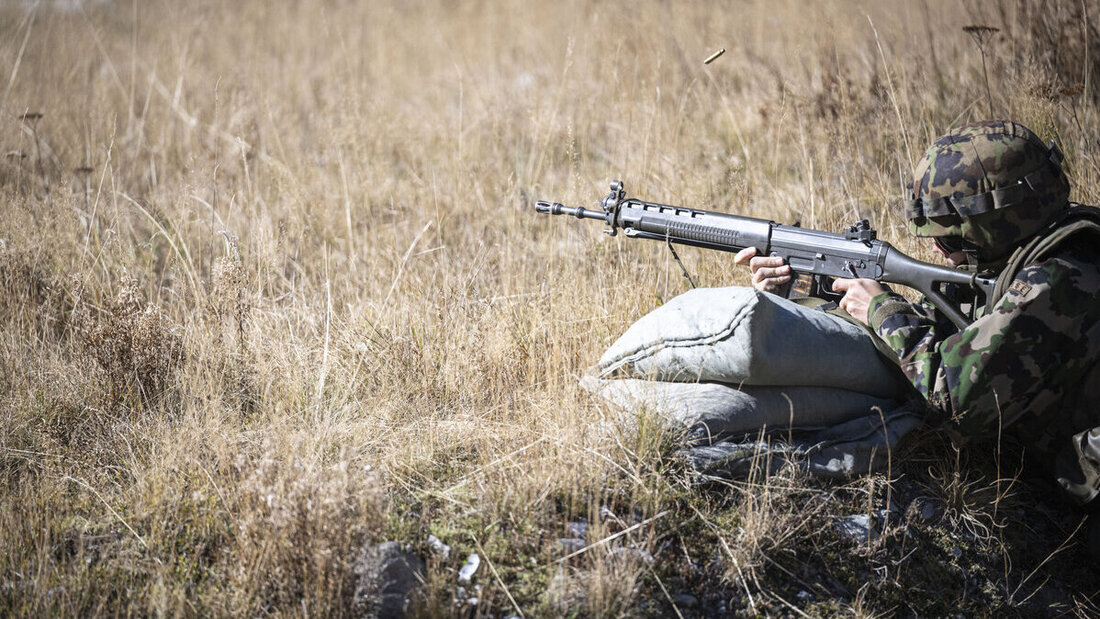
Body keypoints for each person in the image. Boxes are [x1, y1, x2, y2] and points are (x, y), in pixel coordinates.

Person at [734, 120, 1100, 511]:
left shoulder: (1056, 280)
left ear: (996, 226)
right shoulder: (1041, 251)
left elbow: (954, 401)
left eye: (950, 238)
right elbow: (944, 329)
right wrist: (802, 288)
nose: (942, 253)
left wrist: (882, 308)